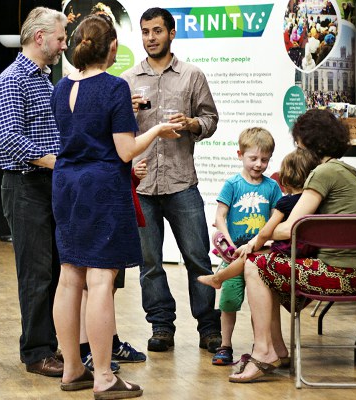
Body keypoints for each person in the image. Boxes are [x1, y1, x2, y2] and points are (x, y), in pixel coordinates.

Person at [51, 14, 180, 398]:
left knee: (69, 277)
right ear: (111, 47)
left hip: (66, 185)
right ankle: (105, 376)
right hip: (101, 189)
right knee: (100, 280)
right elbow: (125, 151)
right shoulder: (114, 87)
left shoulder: (61, 87)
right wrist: (157, 129)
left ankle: (72, 369)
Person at [223, 109, 356, 384]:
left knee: (255, 265)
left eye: (300, 145)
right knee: (266, 265)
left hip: (336, 275)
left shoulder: (323, 173)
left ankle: (265, 351)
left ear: (311, 143)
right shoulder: (349, 173)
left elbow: (292, 227)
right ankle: (278, 350)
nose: (298, 151)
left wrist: (262, 236)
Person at [121, 7, 221, 353]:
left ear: (172, 33)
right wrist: (126, 112)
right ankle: (161, 326)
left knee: (197, 257)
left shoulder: (192, 75)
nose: (150, 38)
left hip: (181, 182)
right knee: (150, 264)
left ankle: (209, 328)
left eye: (157, 31)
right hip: (142, 185)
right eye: (145, 31)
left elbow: (210, 119)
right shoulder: (127, 80)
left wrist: (192, 124)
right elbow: (115, 132)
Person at [0, 7, 67, 377]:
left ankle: (48, 345)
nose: (64, 45)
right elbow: (9, 138)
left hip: (47, 184)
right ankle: (37, 353)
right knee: (36, 274)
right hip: (25, 187)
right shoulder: (12, 80)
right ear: (40, 38)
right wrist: (57, 163)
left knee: (52, 270)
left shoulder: (44, 80)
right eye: (60, 38)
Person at [209, 127, 283, 366]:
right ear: (240, 155)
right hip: (234, 254)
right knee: (229, 300)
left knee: (258, 303)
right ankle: (225, 345)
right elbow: (220, 215)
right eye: (253, 158)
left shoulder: (272, 187)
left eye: (265, 159)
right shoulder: (232, 184)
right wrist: (228, 242)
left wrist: (267, 241)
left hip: (260, 255)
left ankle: (259, 346)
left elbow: (275, 219)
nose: (259, 164)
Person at [198, 147, 320, 290]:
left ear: (287, 176)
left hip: (287, 250)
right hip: (309, 250)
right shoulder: (316, 201)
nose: (258, 164)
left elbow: (267, 231)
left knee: (249, 255)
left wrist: (252, 245)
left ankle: (217, 278)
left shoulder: (285, 202)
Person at [79, 160, 148, 373]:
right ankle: (84, 349)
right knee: (90, 286)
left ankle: (111, 342)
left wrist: (133, 175)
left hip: (117, 208)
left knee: (109, 286)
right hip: (96, 207)